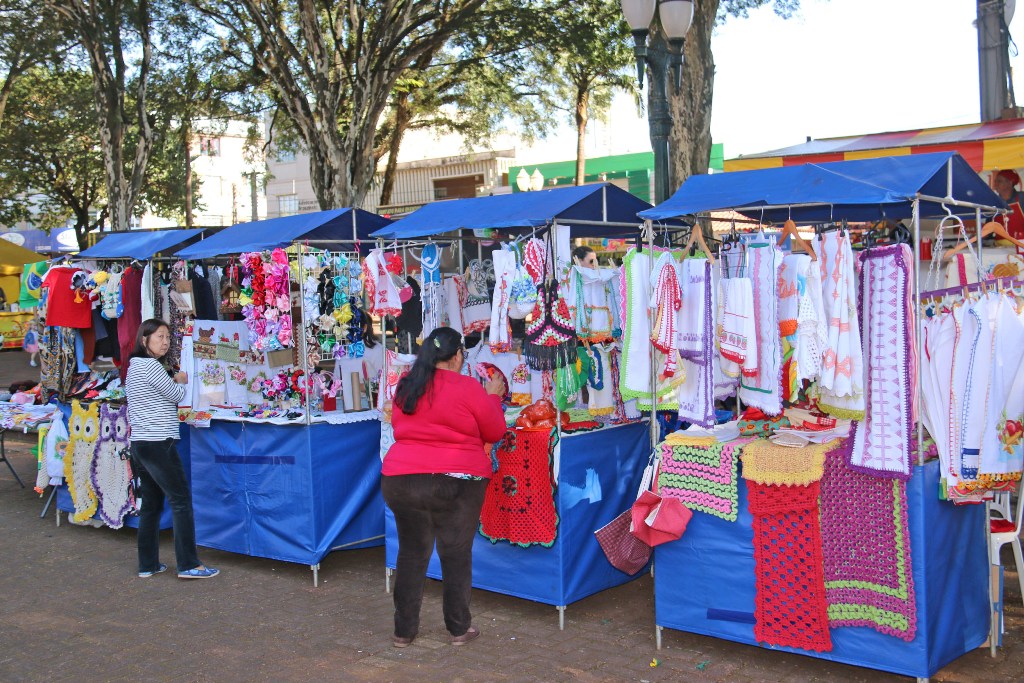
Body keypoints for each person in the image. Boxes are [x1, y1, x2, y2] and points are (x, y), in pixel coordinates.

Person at [381, 326, 507, 648]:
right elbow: (494, 430)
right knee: (455, 553)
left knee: (411, 552)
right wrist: (493, 395)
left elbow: (398, 426)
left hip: (401, 479)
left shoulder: (408, 386)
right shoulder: (468, 387)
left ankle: (403, 632)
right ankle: (458, 630)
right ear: (455, 357)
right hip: (457, 480)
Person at [125, 318, 219, 580]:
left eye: (167, 337)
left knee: (152, 505)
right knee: (180, 501)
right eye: (159, 337)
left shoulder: (134, 367)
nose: (165, 342)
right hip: (158, 442)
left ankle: (148, 564)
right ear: (145, 340)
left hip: (142, 443)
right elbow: (177, 395)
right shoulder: (151, 367)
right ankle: (189, 564)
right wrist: (181, 379)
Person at [993, 168, 1024, 243]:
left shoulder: (1022, 198)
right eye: (995, 181)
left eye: (999, 181)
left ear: (1010, 182)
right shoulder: (994, 201)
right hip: (999, 247)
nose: (995, 184)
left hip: (1021, 245)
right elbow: (989, 226)